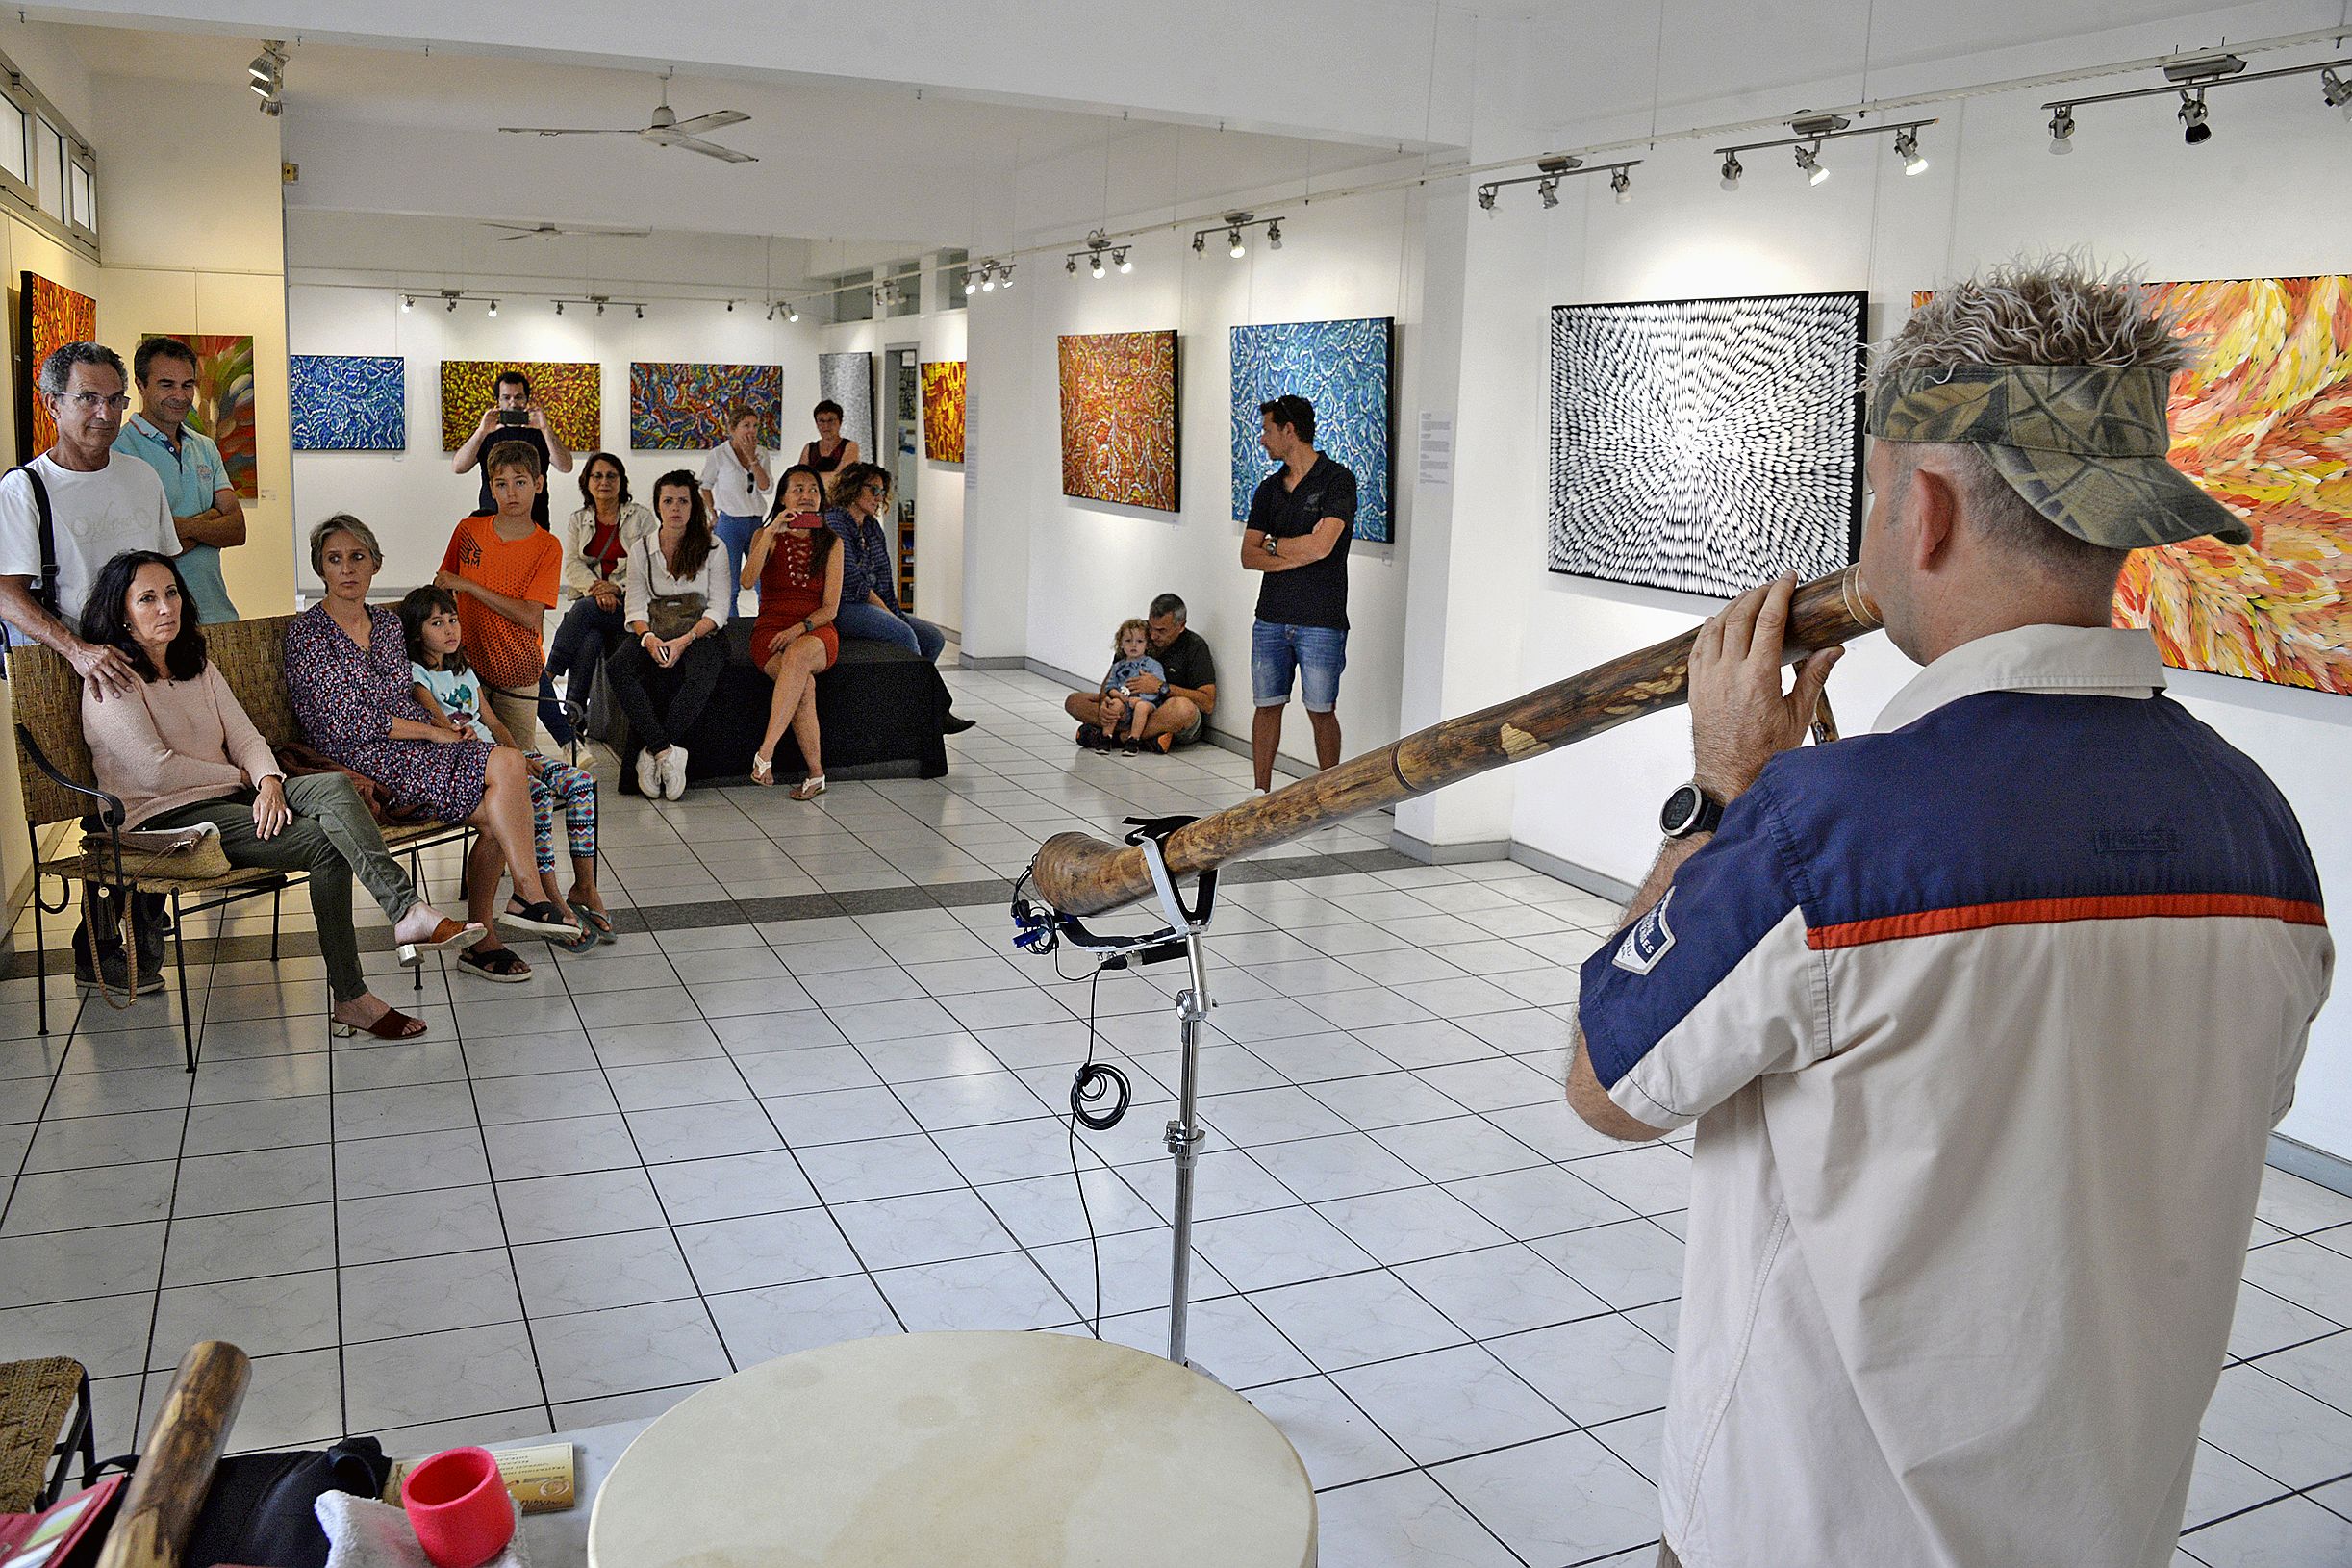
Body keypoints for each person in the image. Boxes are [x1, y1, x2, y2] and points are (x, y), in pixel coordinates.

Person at [1563, 261, 2334, 1568]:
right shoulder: (2258, 829)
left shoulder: (1817, 828)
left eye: (1873, 492)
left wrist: (1720, 795)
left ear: (1919, 511)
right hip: (2109, 1524)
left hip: (1807, 1527)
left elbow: (1607, 1079)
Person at [79, 551, 484, 1035]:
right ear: (122, 613)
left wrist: (270, 781)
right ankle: (356, 992)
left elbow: (247, 736)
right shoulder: (110, 678)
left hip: (229, 798)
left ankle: (407, 913)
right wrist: (245, 780)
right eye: (147, 599)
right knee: (324, 843)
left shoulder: (196, 664)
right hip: (166, 820)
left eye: (171, 594)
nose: (166, 608)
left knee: (332, 785)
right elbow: (152, 772)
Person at [286, 515, 583, 985]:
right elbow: (339, 723)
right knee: (499, 793)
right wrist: (432, 733)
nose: (347, 569)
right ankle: (505, 918)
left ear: (376, 565)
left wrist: (444, 725)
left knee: (502, 783)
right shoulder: (308, 633)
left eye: (357, 557)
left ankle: (511, 909)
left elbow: (407, 693)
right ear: (320, 568)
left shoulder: (385, 624)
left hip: (409, 746)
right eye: (334, 559)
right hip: (355, 758)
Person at [0, 341, 184, 993]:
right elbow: (5, 589)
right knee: (105, 810)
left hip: (145, 667)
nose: (103, 413)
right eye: (87, 398)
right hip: (69, 672)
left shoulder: (140, 477)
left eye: (114, 399)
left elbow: (166, 571)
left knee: (153, 802)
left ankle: (135, 939)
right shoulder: (25, 489)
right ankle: (111, 949)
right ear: (52, 404)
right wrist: (76, 650)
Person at [402, 587, 608, 949]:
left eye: (453, 620)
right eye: (437, 623)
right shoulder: (418, 677)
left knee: (582, 784)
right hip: (473, 765)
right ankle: (548, 895)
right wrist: (510, 765)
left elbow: (494, 723)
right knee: (539, 797)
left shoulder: (463, 671)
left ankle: (585, 887)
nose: (450, 630)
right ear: (418, 633)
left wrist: (522, 759)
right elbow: (444, 730)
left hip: (503, 756)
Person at [1242, 394, 1356, 792]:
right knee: (1266, 705)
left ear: (1290, 430)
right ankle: (1260, 793)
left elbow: (1323, 546)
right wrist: (1297, 549)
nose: (1262, 439)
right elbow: (1248, 554)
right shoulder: (1268, 489)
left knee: (1322, 710)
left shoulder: (1337, 480)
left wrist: (1275, 545)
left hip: (1321, 619)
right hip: (1271, 616)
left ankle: (1330, 794)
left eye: (1267, 430)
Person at [607, 470, 732, 801]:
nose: (675, 508)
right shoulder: (641, 549)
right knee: (619, 666)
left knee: (703, 667)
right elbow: (634, 606)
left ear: (694, 506)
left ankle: (651, 753)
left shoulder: (714, 547)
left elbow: (719, 609)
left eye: (683, 501)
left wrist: (684, 640)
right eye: (668, 501)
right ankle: (666, 751)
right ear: (658, 506)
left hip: (699, 631)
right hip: (655, 628)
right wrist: (649, 640)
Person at [823, 463, 975, 733]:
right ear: (854, 488)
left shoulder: (870, 527)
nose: (879, 496)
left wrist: (893, 611)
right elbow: (852, 581)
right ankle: (928, 712)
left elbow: (883, 576)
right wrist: (889, 614)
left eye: (882, 490)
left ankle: (912, 705)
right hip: (843, 606)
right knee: (905, 636)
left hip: (872, 604)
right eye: (873, 489)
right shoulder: (835, 521)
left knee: (932, 638)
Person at [436, 440, 563, 748]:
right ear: (491, 488)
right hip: (465, 665)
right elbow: (441, 585)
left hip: (518, 671)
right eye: (501, 484)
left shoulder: (547, 546)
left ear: (538, 484)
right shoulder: (468, 531)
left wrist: (470, 586)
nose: (511, 493)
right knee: (468, 755)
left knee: (519, 759)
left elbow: (529, 615)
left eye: (520, 482)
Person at [114, 337, 243, 625]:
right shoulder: (119, 451)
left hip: (217, 614)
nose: (180, 395)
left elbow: (237, 529)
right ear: (141, 385)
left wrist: (182, 526)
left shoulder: (205, 446)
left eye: (187, 385)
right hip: (157, 624)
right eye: (166, 384)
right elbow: (146, 548)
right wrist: (211, 519)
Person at [742, 466, 843, 798]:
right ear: (783, 496)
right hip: (770, 630)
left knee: (798, 656)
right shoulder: (765, 535)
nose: (807, 496)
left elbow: (830, 609)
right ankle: (816, 775)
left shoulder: (831, 542)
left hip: (816, 629)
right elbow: (746, 581)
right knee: (804, 685)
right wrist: (771, 533)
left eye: (813, 489)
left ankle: (765, 753)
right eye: (798, 489)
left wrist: (799, 628)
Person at [547, 451, 654, 722]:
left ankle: (548, 674)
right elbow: (572, 565)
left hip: (630, 606)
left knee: (582, 612)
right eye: (597, 476)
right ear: (587, 482)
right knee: (590, 639)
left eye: (611, 476)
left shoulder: (640, 518)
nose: (604, 481)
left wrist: (615, 588)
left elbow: (648, 566)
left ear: (621, 481)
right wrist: (598, 589)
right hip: (595, 602)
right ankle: (574, 716)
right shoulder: (579, 519)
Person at [1065, 592, 1216, 753]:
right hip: (1126, 706)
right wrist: (1105, 704)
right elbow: (1110, 679)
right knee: (1074, 701)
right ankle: (1148, 738)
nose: (1153, 635)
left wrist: (1160, 687)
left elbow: (1207, 703)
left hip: (1162, 711)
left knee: (1183, 708)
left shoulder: (1195, 647)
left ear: (1181, 626)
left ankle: (1117, 738)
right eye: (1151, 627)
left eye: (1161, 630)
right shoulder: (1137, 635)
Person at [450, 368, 572, 525]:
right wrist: (481, 432)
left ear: (527, 400)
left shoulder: (541, 434)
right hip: (492, 522)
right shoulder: (487, 433)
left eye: (518, 397)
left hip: (534, 522)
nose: (513, 403)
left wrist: (545, 429)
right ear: (498, 401)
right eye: (506, 398)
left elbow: (566, 466)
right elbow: (458, 467)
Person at [700, 405, 773, 616]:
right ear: (732, 429)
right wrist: (712, 514)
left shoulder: (761, 454)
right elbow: (705, 485)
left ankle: (766, 624)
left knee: (762, 581)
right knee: (729, 585)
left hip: (755, 523)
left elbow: (766, 488)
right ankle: (731, 628)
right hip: (730, 524)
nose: (751, 430)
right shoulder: (719, 454)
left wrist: (752, 459)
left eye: (755, 426)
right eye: (745, 426)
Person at [1092, 619, 1164, 754]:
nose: (1134, 645)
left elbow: (1158, 688)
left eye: (1139, 641)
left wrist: (1141, 699)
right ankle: (1106, 738)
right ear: (1121, 644)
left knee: (1141, 707)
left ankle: (1133, 740)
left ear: (1147, 644)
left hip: (1146, 703)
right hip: (1124, 702)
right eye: (1128, 641)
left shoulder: (1153, 665)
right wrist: (1117, 695)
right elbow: (1110, 686)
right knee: (1114, 704)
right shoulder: (1118, 666)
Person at [799, 398, 860, 478]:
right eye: (821, 421)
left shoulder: (850, 446)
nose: (826, 426)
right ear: (816, 424)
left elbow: (842, 477)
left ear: (840, 422)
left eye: (831, 420)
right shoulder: (809, 448)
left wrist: (812, 478)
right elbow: (800, 477)